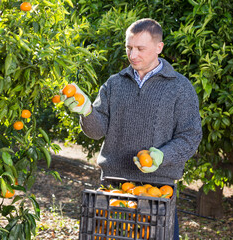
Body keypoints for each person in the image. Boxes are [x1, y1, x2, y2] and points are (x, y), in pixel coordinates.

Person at [61, 18, 202, 239]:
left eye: (140, 48)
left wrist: (162, 156)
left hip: (158, 191)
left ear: (159, 48)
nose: (132, 55)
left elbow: (191, 135)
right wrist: (87, 111)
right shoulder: (114, 84)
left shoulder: (180, 87)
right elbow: (97, 131)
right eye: (129, 48)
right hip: (114, 188)